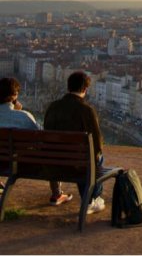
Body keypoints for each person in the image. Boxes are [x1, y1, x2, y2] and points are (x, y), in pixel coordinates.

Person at [0, 77, 74, 203]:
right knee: (50, 149)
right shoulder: (23, 117)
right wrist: (18, 111)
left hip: (1, 163)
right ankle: (57, 193)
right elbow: (42, 136)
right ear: (14, 96)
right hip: (23, 164)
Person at [44, 71, 105, 214]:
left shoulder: (53, 107)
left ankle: (88, 198)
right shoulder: (87, 110)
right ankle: (91, 199)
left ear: (68, 87)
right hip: (77, 165)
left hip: (52, 163)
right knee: (94, 159)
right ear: (85, 89)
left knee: (84, 159)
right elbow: (97, 143)